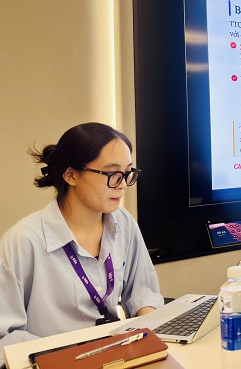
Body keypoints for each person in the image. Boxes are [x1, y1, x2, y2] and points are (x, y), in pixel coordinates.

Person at [0, 123, 163, 363]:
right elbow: (5, 337)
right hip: (54, 363)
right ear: (71, 175)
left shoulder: (123, 221)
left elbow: (142, 290)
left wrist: (148, 328)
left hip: (116, 353)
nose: (122, 185)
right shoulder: (23, 242)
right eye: (112, 174)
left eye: (128, 173)